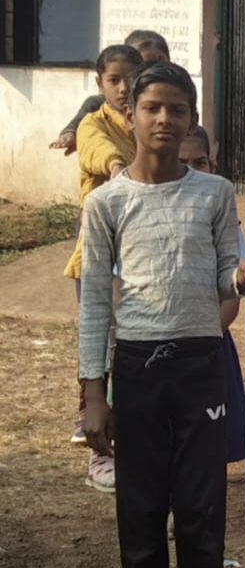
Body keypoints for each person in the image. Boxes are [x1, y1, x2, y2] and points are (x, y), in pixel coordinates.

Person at [79, 61, 245, 568]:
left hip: (200, 365)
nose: (164, 120)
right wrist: (94, 394)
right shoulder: (106, 204)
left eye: (177, 109)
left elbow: (223, 278)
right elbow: (94, 303)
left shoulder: (214, 194)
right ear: (129, 114)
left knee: (202, 512)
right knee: (140, 512)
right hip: (137, 368)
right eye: (152, 107)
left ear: (191, 119)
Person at [65, 43, 145, 492]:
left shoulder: (146, 120)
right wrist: (119, 167)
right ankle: (98, 452)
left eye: (129, 79)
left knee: (130, 353)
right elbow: (96, 150)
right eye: (113, 80)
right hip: (98, 260)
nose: (122, 88)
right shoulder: (94, 124)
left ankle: (132, 448)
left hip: (140, 259)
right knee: (100, 349)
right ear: (100, 84)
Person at [180, 125, 245, 465]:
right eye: (182, 163)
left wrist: (205, 337)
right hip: (156, 348)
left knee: (210, 439)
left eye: (201, 162)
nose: (193, 171)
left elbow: (232, 294)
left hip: (210, 344)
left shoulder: (225, 219)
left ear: (213, 165)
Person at [49, 30, 170, 156]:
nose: (153, 71)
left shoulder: (176, 98)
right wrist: (71, 132)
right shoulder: (98, 108)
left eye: (160, 64)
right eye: (146, 66)